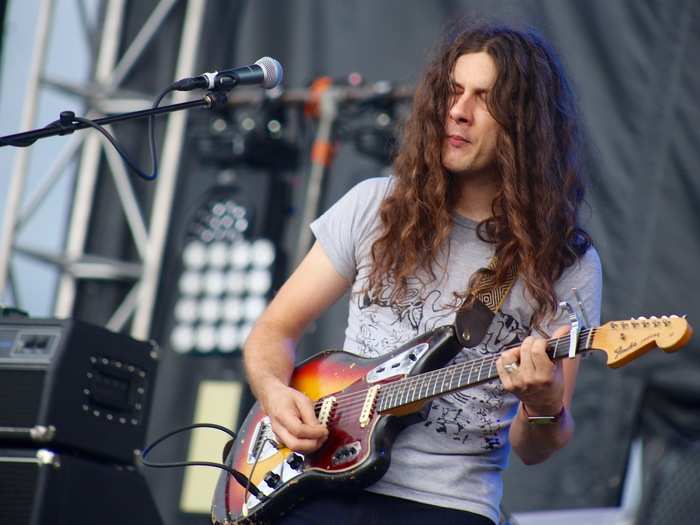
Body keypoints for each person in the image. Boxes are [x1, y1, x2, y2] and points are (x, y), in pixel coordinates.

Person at [243, 22, 602, 525]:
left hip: (446, 504)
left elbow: (535, 448)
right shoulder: (375, 205)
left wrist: (545, 403)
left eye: (484, 98)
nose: (458, 110)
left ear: (525, 123)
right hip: (317, 480)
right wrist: (276, 395)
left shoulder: (564, 260)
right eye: (453, 91)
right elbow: (273, 331)